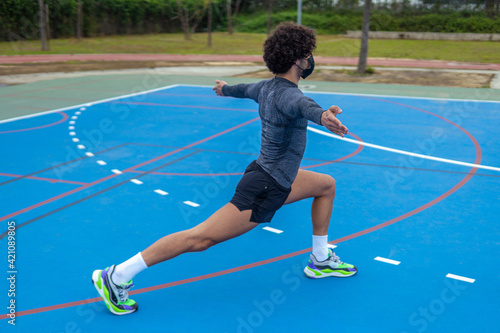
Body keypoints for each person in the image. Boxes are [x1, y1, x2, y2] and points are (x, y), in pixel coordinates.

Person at [91, 21, 357, 316]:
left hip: (274, 175)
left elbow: (244, 89)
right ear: (297, 59)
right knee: (200, 238)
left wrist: (225, 89)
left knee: (325, 185)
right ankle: (116, 276)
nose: (310, 60)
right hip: (266, 186)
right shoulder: (289, 95)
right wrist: (323, 116)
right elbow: (304, 106)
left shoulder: (267, 88)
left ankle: (320, 259)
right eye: (308, 55)